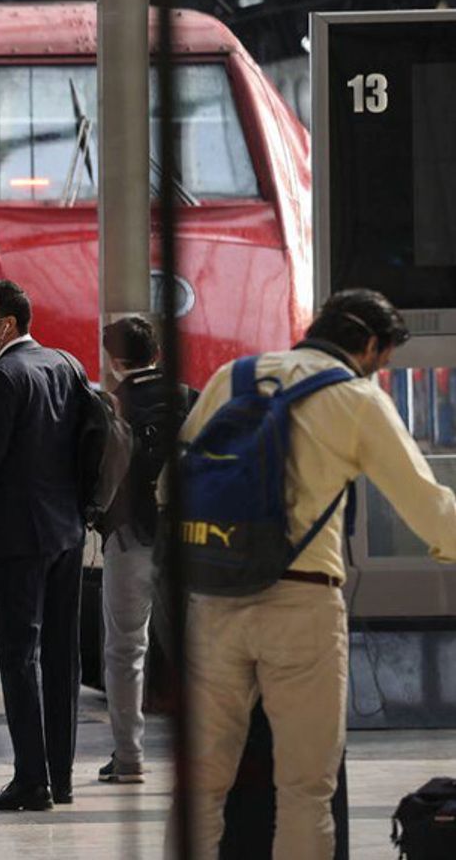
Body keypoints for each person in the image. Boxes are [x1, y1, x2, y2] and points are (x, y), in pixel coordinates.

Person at [181, 289, 456, 858]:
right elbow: (428, 509)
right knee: (305, 788)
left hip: (212, 599)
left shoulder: (234, 377)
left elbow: (171, 485)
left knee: (202, 788)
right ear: (373, 347)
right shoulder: (356, 399)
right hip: (300, 608)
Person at [0, 278, 85, 813]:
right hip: (66, 533)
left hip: (17, 537)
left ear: (6, 323)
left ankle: (31, 779)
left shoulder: (2, 376)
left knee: (19, 657)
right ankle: (62, 777)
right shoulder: (66, 365)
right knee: (62, 657)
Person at [96, 316, 194, 785]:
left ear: (114, 359)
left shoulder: (112, 402)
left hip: (129, 538)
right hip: (186, 541)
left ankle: (129, 757)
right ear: (156, 351)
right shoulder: (187, 396)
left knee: (125, 648)